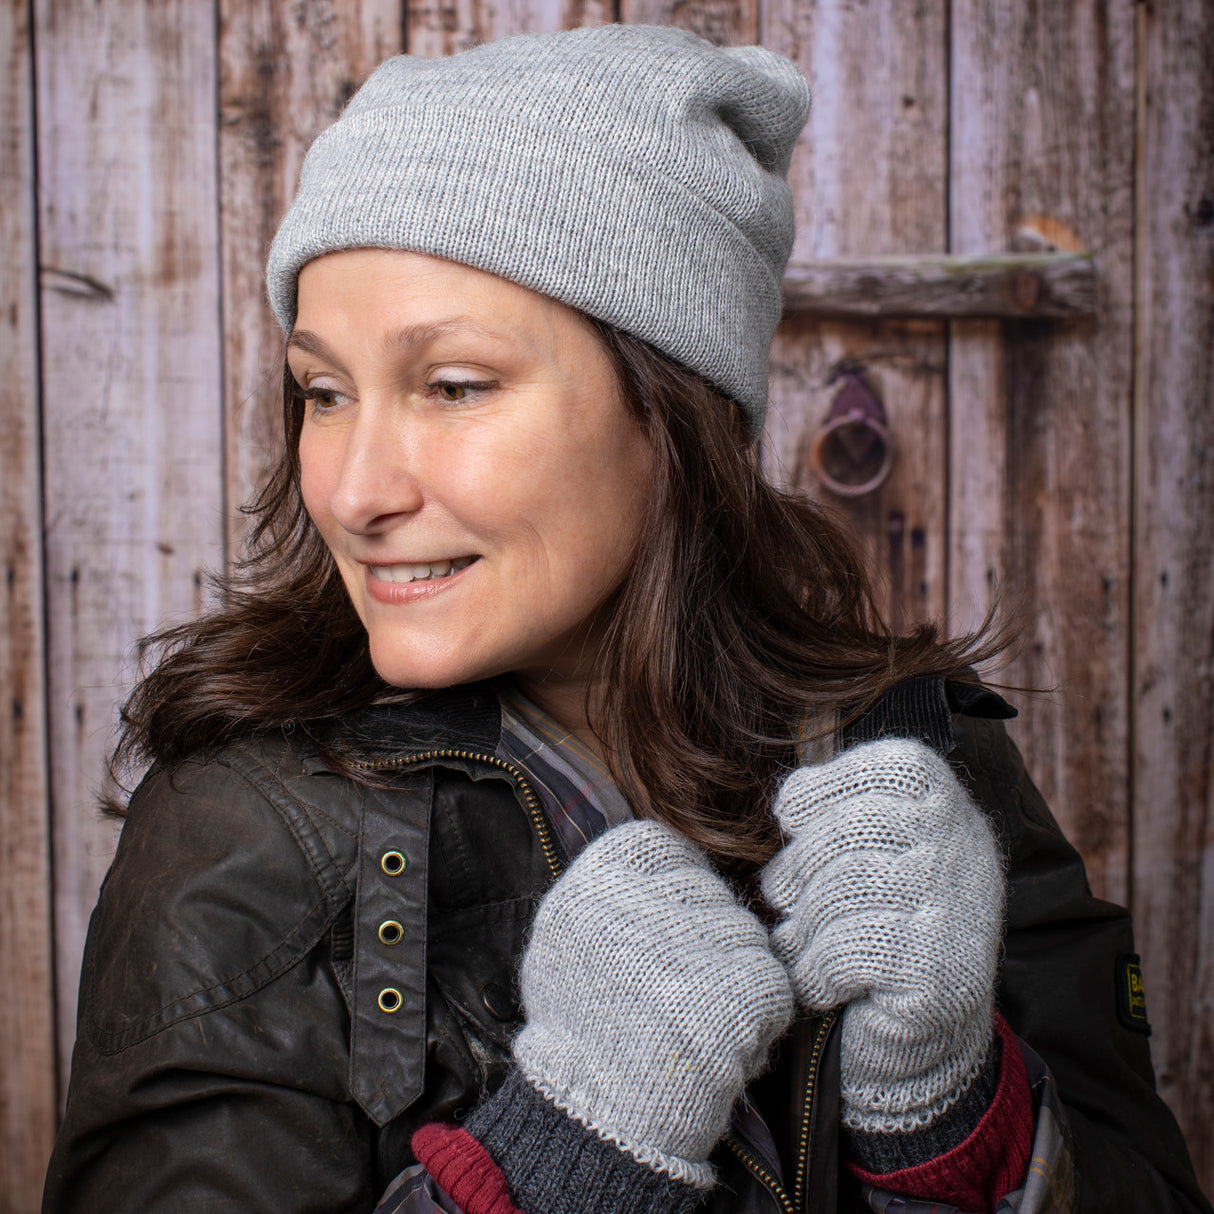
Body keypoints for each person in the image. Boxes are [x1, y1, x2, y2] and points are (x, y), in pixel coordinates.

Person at [42, 23, 1209, 1214]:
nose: (352, 490)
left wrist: (956, 1110)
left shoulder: (924, 758)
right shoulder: (239, 830)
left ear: (672, 410)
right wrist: (558, 1155)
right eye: (324, 391)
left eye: (452, 385)